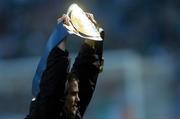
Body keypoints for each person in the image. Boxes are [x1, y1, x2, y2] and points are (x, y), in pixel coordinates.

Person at [25, 13, 104, 119]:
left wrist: (92, 36)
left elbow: (86, 79)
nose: (78, 99)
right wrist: (60, 36)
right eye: (73, 94)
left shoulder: (70, 114)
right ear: (62, 96)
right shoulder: (43, 114)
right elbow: (53, 87)